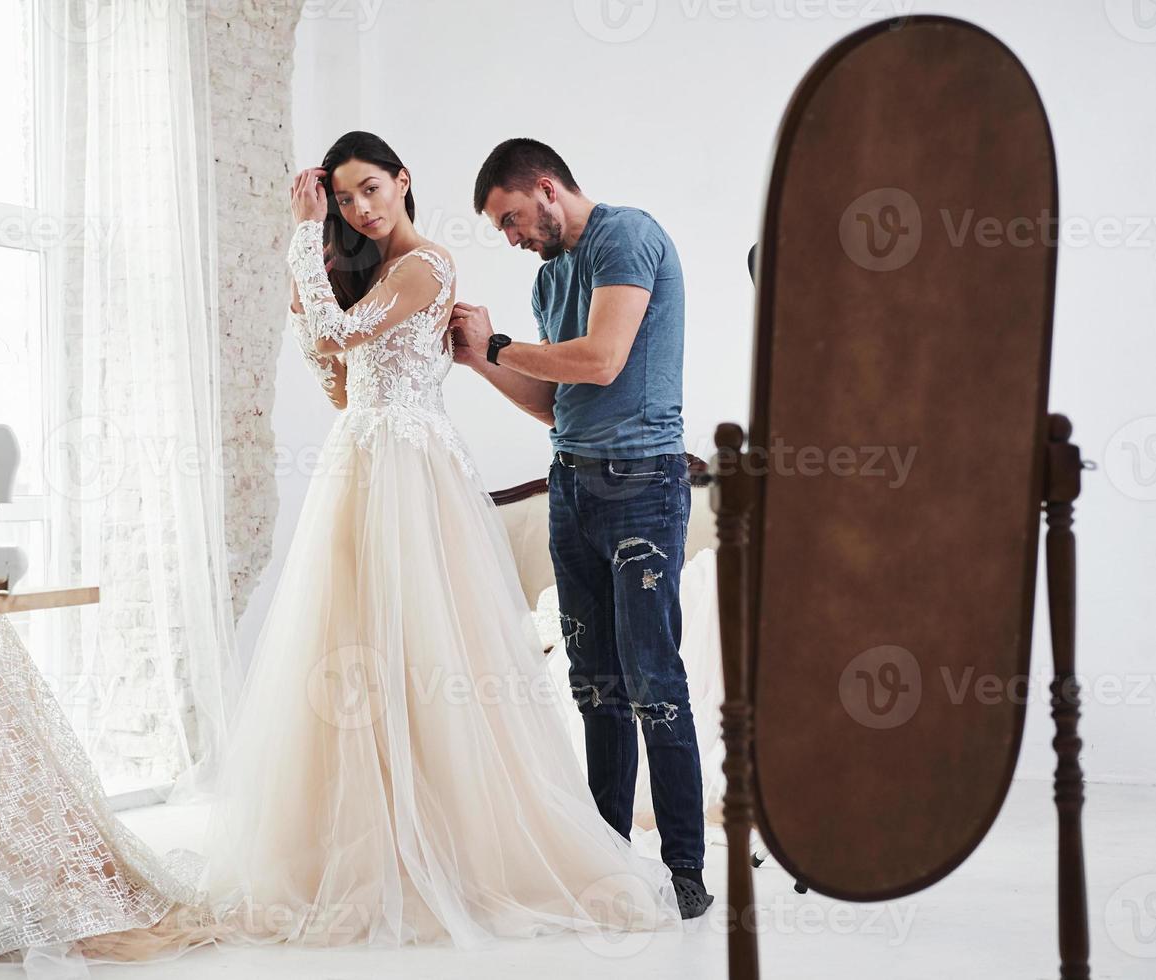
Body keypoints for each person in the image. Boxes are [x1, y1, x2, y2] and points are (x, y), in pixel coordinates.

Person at [70, 131, 680, 963]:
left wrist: (300, 242)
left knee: (496, 657)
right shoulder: (434, 276)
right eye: (345, 198)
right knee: (356, 653)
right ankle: (372, 836)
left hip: (413, 469)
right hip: (365, 463)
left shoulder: (426, 267)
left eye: (369, 190)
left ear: (402, 182)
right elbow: (336, 372)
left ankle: (671, 864)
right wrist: (327, 301)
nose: (359, 208)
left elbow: (349, 335)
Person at [451, 137, 712, 917]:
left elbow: (599, 360)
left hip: (642, 485)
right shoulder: (551, 276)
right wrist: (480, 363)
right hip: (572, 486)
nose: (511, 237)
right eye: (501, 229)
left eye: (509, 219)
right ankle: (608, 861)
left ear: (544, 187)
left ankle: (687, 872)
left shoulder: (625, 235)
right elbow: (552, 402)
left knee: (652, 681)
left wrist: (501, 342)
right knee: (593, 683)